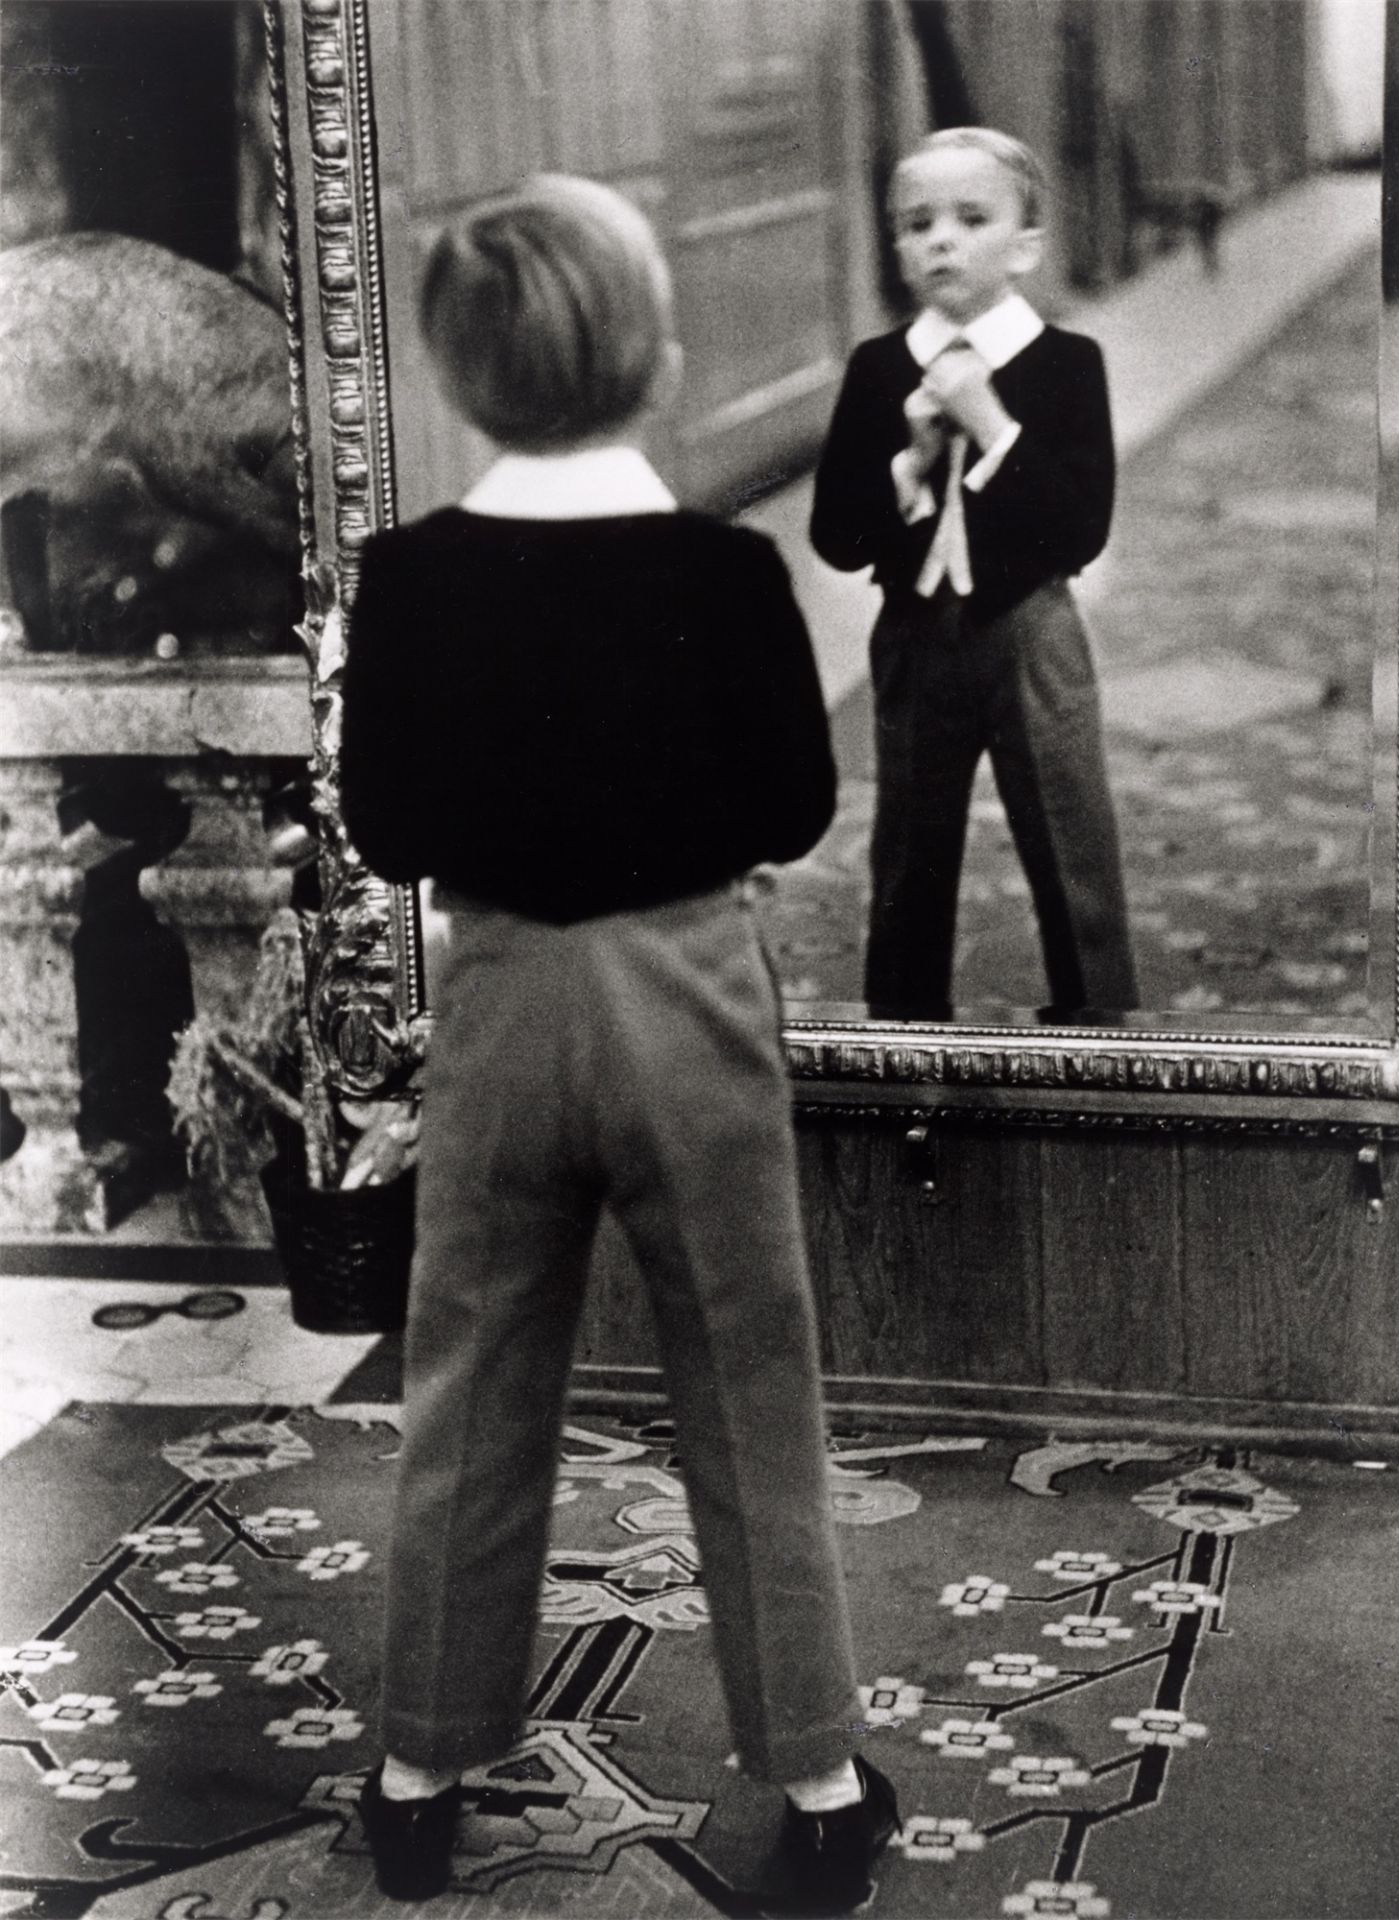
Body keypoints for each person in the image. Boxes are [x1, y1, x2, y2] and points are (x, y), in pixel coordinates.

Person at [338, 174, 898, 1913]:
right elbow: (795, 809)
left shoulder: (411, 577)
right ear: (653, 357)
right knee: (748, 1386)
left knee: (472, 1382)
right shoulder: (723, 570)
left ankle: (419, 1766)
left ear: (456, 374)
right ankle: (811, 1770)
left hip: (498, 998)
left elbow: (384, 824)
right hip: (689, 997)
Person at [810, 127, 1138, 1024]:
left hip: (1032, 633)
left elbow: (1080, 531)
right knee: (907, 849)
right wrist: (907, 468)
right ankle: (905, 1025)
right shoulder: (878, 371)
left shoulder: (1069, 365)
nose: (939, 240)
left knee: (1070, 839)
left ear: (1025, 246)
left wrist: (993, 427)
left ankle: (1097, 1021)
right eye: (915, 224)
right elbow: (835, 537)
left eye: (969, 218)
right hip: (914, 640)